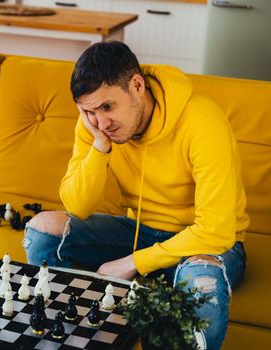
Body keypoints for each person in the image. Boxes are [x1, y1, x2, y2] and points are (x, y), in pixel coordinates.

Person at [23, 42, 248, 350]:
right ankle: (81, 337)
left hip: (207, 245)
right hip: (140, 231)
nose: (101, 121)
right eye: (89, 111)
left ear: (137, 86)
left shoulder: (203, 120)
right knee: (42, 233)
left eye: (107, 107)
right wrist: (100, 144)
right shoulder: (96, 126)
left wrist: (134, 262)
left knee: (202, 285)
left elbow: (216, 228)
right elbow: (78, 205)